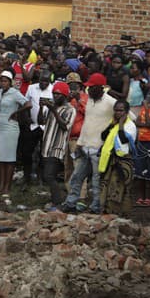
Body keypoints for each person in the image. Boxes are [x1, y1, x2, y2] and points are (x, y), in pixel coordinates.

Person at [62, 73, 116, 214]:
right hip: (85, 146)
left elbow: (129, 117)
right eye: (88, 87)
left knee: (97, 181)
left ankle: (96, 207)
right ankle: (71, 203)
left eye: (92, 87)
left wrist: (111, 132)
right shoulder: (90, 101)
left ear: (101, 88)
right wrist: (80, 143)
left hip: (99, 148)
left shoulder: (110, 102)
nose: (89, 90)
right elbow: (87, 123)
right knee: (76, 177)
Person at [40, 82, 76, 208]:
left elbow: (65, 126)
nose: (55, 96)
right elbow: (40, 121)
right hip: (46, 146)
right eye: (54, 94)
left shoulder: (70, 110)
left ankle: (58, 201)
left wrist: (54, 110)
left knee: (49, 175)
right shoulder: (51, 107)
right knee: (49, 176)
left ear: (65, 95)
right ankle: (55, 199)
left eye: (58, 94)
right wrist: (41, 107)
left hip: (57, 147)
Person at [0, 70, 31, 195]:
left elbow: (28, 104)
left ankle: (7, 187)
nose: (3, 83)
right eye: (2, 81)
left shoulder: (15, 93)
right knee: (1, 157)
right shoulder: (0, 92)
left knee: (9, 158)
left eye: (5, 81)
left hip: (10, 127)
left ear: (10, 82)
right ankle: (1, 185)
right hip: (0, 126)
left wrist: (17, 113)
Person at [98, 100, 137, 215]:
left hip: (123, 161)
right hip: (111, 160)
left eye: (121, 110)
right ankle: (107, 212)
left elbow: (125, 140)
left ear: (126, 112)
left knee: (118, 187)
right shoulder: (113, 123)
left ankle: (120, 213)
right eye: (116, 110)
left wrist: (120, 125)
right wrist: (112, 125)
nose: (117, 113)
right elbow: (103, 136)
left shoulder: (130, 125)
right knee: (107, 185)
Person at [22, 71, 53, 183]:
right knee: (27, 152)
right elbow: (26, 103)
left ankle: (42, 178)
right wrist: (26, 117)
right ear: (38, 79)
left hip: (46, 127)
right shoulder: (31, 88)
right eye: (41, 81)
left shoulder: (53, 90)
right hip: (32, 126)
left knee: (43, 154)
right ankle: (27, 177)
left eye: (46, 81)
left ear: (49, 81)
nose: (43, 83)